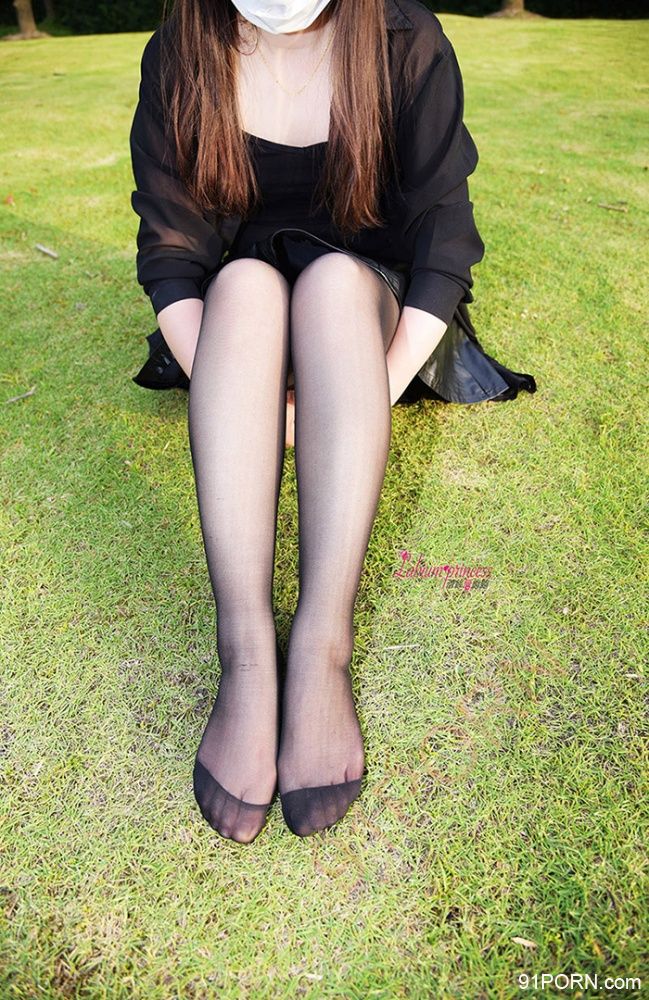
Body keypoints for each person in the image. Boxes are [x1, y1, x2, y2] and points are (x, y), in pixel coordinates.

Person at [128, 0, 537, 843]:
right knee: (244, 284)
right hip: (239, 327)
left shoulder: (404, 39)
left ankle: (320, 648)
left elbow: (442, 244)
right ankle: (244, 652)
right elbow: (171, 255)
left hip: (366, 311)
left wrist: (356, 403)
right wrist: (246, 403)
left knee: (331, 285)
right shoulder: (180, 48)